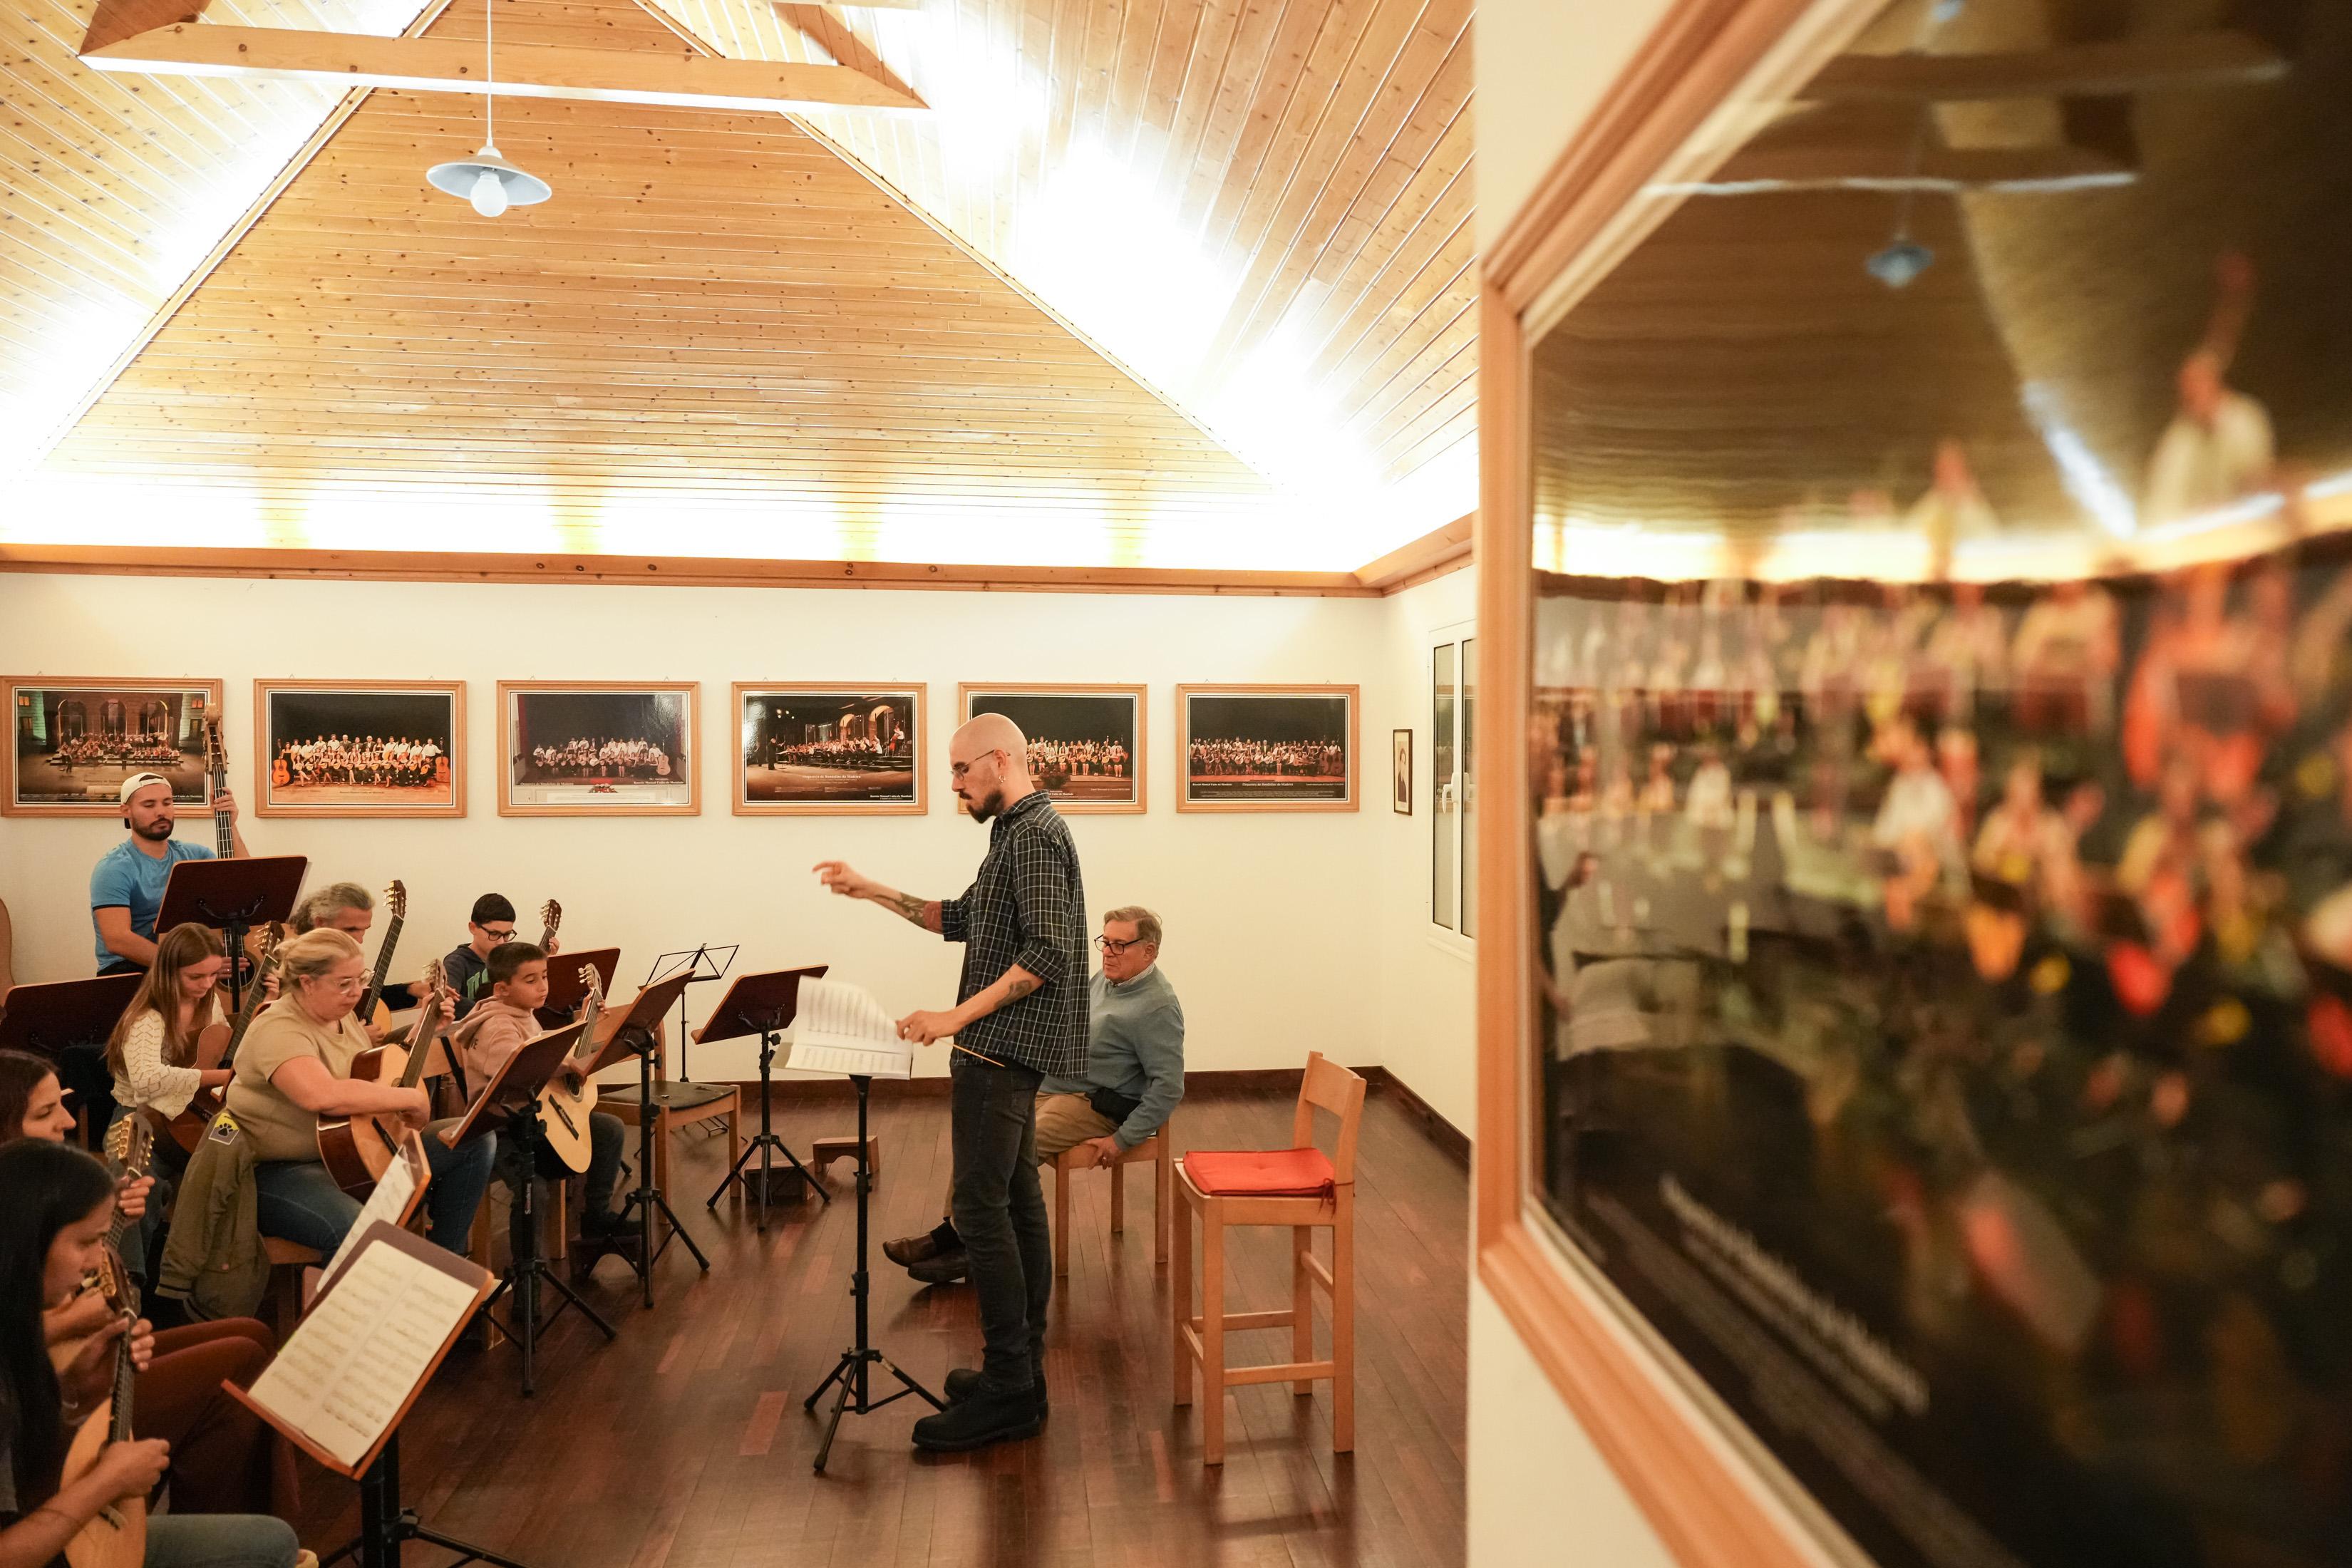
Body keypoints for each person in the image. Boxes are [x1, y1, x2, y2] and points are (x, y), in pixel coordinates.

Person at [815, 711, 1088, 1453]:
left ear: (1002, 760)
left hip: (1000, 1051)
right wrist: (869, 889)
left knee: (980, 1209)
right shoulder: (1014, 832)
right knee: (1017, 1202)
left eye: (963, 770)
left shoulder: (1034, 834)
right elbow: (964, 917)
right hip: (1004, 1050)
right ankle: (1020, 1374)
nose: (956, 784)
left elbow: (1050, 954)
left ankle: (1009, 1387)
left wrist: (953, 1016)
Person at [3, 1070, 301, 1535]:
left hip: (67, 1374)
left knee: (252, 1334)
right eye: (45, 1113)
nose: (66, 1120)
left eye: (61, 1102)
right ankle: (240, 1535)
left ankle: (247, 1532)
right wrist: (76, 1322)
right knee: (238, 1361)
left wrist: (101, 1218)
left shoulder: (32, 1199)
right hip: (41, 1411)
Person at [885, 906, 1185, 1288]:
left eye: (1120, 945)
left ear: (1150, 951)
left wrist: (1121, 1140)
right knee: (985, 1126)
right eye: (1105, 942)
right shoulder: (1105, 981)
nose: (1108, 952)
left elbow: (1169, 1086)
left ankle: (970, 1246)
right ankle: (956, 1233)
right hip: (1056, 1089)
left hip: (1096, 1103)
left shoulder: (1157, 1006)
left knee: (1007, 1146)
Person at [222, 930, 493, 1257]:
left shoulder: (341, 1015)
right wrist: (412, 1099)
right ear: (307, 983)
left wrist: (423, 1029)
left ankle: (443, 1262)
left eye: (359, 979)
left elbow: (370, 1074)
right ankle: (346, 1303)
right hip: (280, 1170)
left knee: (473, 1139)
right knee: (359, 1227)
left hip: (356, 1150)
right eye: (343, 983)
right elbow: (322, 1096)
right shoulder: (278, 1027)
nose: (356, 992)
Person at [451, 942, 630, 1247]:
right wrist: (566, 1065)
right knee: (533, 1186)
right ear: (502, 989)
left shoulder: (523, 1014)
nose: (543, 987)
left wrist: (583, 1023)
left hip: (534, 1120)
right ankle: (525, 1270)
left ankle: (596, 1218)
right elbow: (514, 1069)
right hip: (502, 1130)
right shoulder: (497, 1025)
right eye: (530, 980)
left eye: (545, 976)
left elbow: (545, 1049)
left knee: (608, 1129)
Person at [91, 773, 247, 976]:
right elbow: (117, 939)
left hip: (190, 964)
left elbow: (244, 884)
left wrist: (230, 824)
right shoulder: (113, 867)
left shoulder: (196, 856)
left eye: (167, 803)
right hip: (132, 969)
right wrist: (187, 968)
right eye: (149, 805)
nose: (161, 812)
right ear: (126, 811)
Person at [443, 895, 554, 1022]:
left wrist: (551, 962)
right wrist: (495, 1013)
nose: (501, 942)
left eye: (507, 935)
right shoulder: (456, 962)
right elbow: (451, 999)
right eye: (494, 934)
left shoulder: (509, 959)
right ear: (473, 928)